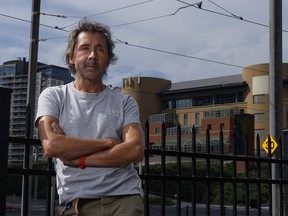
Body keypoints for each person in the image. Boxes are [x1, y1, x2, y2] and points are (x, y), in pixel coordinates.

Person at [35, 19, 145, 216]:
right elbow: (52, 146)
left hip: (124, 199)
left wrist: (79, 160)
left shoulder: (125, 102)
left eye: (100, 49)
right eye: (85, 48)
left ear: (108, 60)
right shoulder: (54, 96)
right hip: (76, 203)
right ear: (71, 57)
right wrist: (109, 142)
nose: (93, 56)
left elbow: (135, 150)